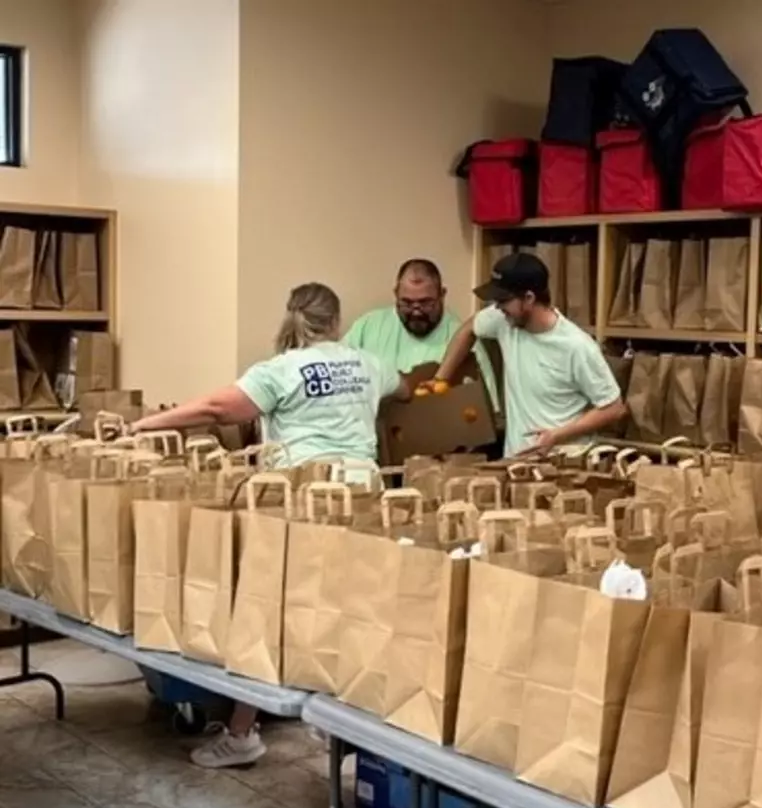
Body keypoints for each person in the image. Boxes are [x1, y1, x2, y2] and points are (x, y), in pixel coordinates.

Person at [131, 282, 409, 768]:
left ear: (291, 316)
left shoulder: (281, 371)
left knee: (271, 609)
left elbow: (217, 409)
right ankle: (343, 724)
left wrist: (144, 425)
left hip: (305, 499)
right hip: (365, 497)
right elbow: (405, 387)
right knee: (352, 608)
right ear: (337, 322)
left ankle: (242, 734)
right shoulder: (367, 363)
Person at [432, 252, 626, 457]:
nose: (497, 307)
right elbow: (469, 329)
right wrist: (440, 380)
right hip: (515, 463)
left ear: (529, 298)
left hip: (562, 465)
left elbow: (614, 408)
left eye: (503, 300)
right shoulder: (504, 321)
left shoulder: (576, 346)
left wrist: (557, 435)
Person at [344, 258, 497, 404]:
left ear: (442, 295)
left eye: (425, 303)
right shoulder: (367, 327)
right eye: (407, 303)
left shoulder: (465, 342)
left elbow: (487, 411)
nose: (416, 312)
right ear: (396, 293)